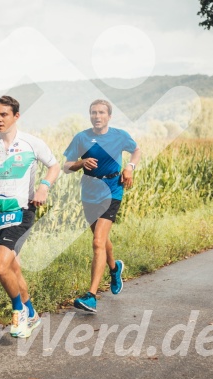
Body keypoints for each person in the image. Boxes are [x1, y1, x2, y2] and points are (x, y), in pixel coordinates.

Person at [0, 95, 60, 337]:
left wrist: (43, 187)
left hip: (22, 211)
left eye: (3, 114)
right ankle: (33, 313)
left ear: (16, 116)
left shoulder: (31, 143)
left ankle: (19, 314)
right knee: (12, 267)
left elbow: (54, 165)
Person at [63, 99, 141, 313]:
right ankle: (115, 269)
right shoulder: (81, 137)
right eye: (93, 113)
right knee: (102, 239)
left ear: (109, 116)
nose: (97, 116)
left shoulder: (120, 135)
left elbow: (136, 150)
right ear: (90, 116)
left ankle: (91, 296)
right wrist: (80, 163)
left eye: (101, 113)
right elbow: (66, 166)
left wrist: (130, 167)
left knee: (97, 242)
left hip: (113, 189)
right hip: (89, 192)